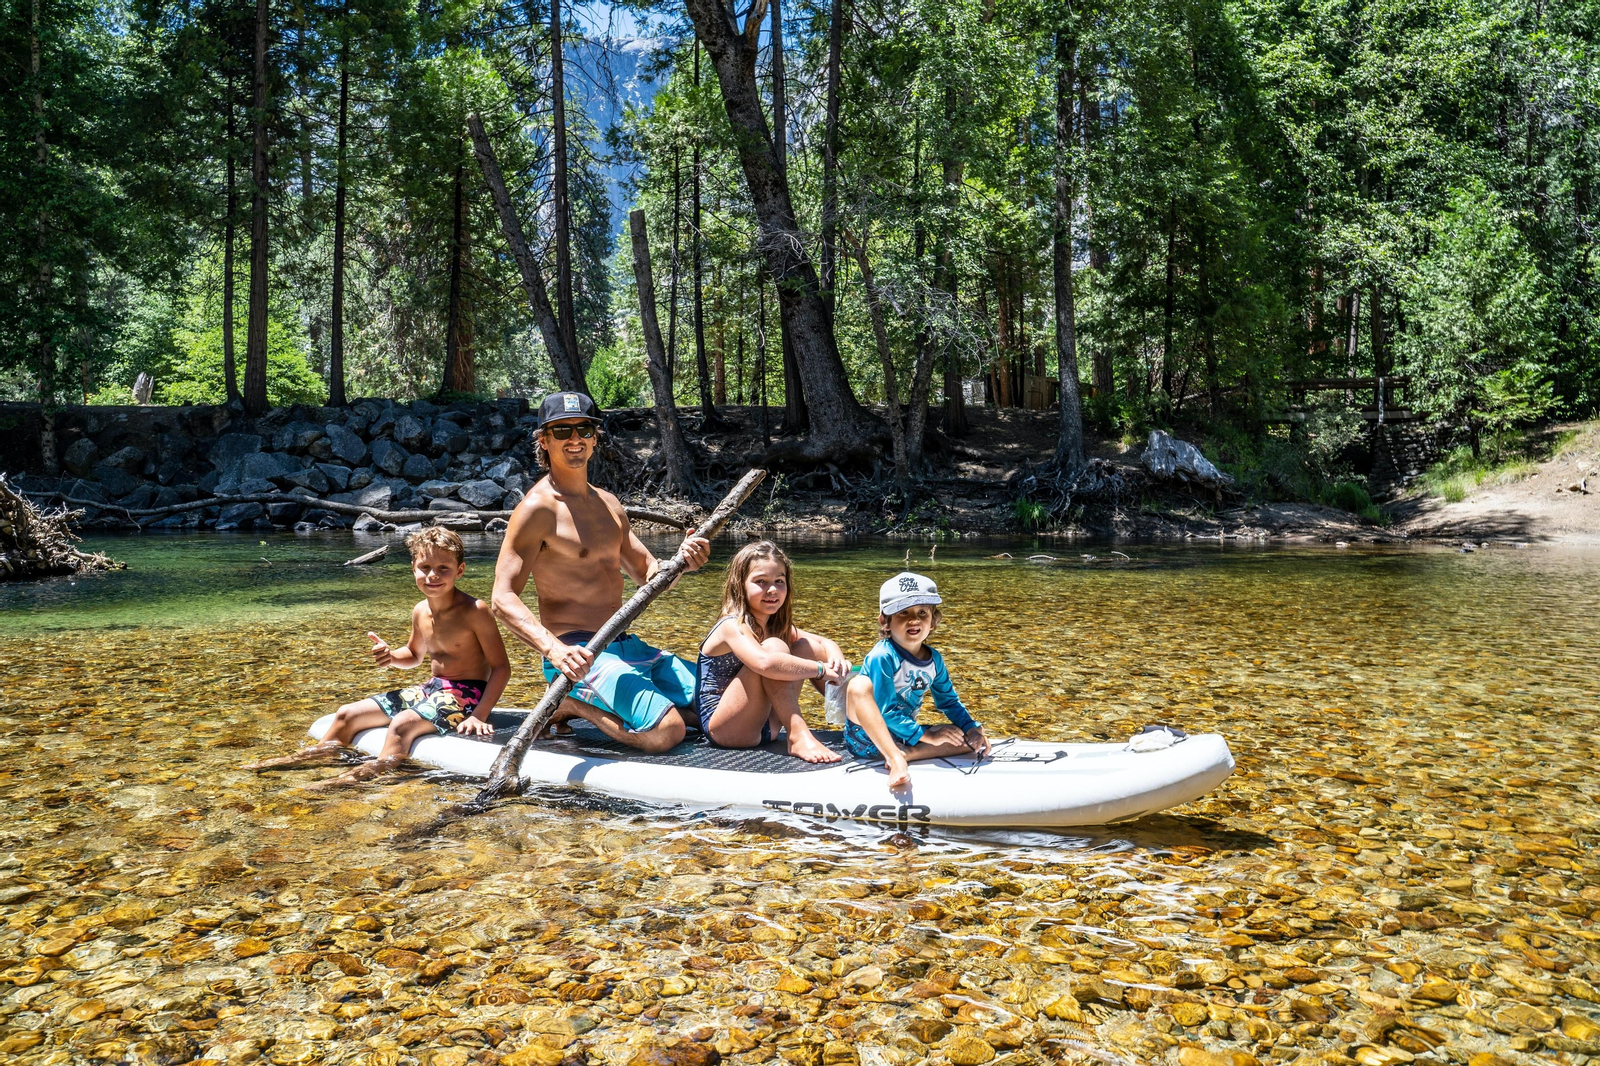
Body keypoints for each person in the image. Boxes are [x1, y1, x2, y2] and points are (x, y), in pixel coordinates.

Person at [491, 391, 710, 752]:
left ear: (595, 437)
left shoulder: (609, 503)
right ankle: (570, 704)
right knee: (667, 732)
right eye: (562, 431)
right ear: (544, 441)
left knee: (725, 709)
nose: (574, 439)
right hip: (578, 654)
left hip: (628, 646)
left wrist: (681, 561)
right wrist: (554, 651)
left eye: (584, 429)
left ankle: (630, 704)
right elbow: (502, 597)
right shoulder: (537, 510)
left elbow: (648, 574)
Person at [246, 527, 511, 785]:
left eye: (444, 568)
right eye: (425, 567)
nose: (433, 575)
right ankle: (308, 757)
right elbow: (413, 655)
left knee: (402, 724)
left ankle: (358, 778)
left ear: (460, 571)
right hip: (432, 687)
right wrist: (391, 656)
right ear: (413, 569)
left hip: (468, 693)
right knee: (346, 714)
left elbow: (501, 667)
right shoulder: (421, 610)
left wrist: (479, 714)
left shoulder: (475, 610)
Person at [696, 541, 848, 763]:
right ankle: (798, 734)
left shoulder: (775, 625)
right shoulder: (731, 625)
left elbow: (823, 643)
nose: (773, 589)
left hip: (767, 726)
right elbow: (764, 662)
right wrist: (819, 670)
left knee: (806, 647)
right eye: (761, 582)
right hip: (728, 730)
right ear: (740, 585)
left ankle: (858, 720)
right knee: (774, 648)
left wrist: (835, 656)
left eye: (779, 581)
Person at [843, 571, 990, 789]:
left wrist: (971, 728)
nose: (914, 619)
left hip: (904, 735)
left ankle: (910, 753)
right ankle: (895, 758)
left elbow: (949, 702)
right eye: (903, 613)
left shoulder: (934, 660)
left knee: (971, 740)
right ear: (885, 622)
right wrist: (927, 735)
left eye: (922, 612)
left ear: (933, 622)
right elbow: (885, 711)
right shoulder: (882, 656)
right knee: (858, 685)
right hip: (867, 739)